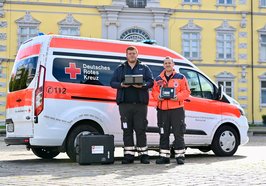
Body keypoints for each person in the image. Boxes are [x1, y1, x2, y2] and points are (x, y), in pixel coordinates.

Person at [110, 46, 154, 164]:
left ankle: (143, 155)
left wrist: (143, 85)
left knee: (141, 130)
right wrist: (121, 84)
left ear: (137, 55)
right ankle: (128, 156)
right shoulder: (120, 68)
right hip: (125, 105)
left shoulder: (144, 68)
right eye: (130, 53)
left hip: (140, 105)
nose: (132, 55)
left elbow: (151, 82)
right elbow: (112, 83)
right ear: (126, 55)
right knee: (127, 130)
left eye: (134, 53)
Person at [152, 56, 191, 165]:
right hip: (162, 110)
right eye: (166, 63)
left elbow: (186, 91)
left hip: (177, 109)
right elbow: (154, 92)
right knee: (163, 133)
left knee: (178, 133)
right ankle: (164, 156)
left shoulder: (181, 77)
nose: (168, 65)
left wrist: (177, 97)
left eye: (169, 63)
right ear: (163, 65)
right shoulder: (158, 79)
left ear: (173, 65)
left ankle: (180, 156)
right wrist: (158, 97)